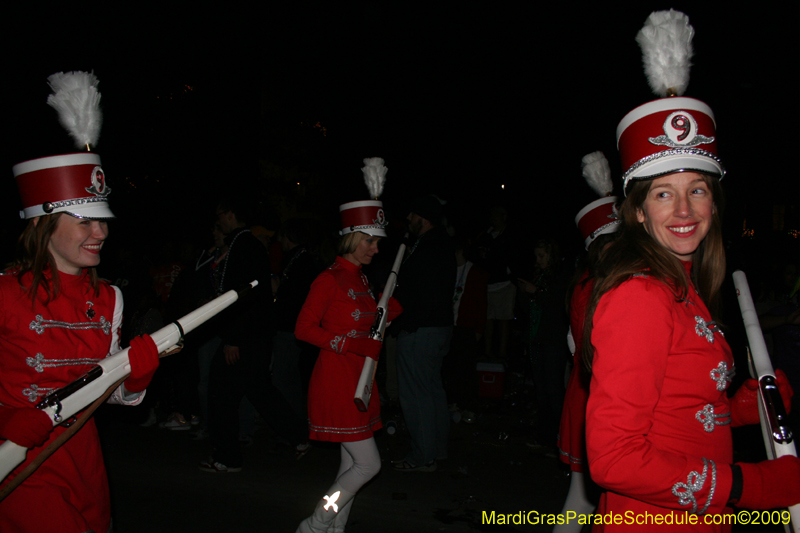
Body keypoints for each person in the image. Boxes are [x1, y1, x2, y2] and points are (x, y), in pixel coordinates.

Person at [584, 73, 800, 530]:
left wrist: (740, 409)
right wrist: (751, 487)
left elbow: (680, 413)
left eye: (697, 190)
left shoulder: (681, 285)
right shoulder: (640, 295)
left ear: (714, 204)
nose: (684, 210)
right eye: (664, 194)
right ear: (639, 211)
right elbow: (613, 458)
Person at [0, 152, 159, 532]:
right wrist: (5, 419)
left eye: (102, 221)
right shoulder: (4, 293)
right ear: (41, 225)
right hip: (17, 454)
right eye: (85, 221)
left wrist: (134, 381)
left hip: (81, 450)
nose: (101, 233)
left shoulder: (110, 297)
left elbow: (105, 389)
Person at [294, 199, 401, 532]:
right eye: (369, 241)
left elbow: (366, 327)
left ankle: (335, 528)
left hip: (360, 379)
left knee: (350, 466)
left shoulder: (361, 279)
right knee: (368, 465)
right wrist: (351, 344)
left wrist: (386, 314)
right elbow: (304, 328)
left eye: (378, 243)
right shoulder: (329, 279)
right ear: (352, 238)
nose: (375, 249)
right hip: (337, 380)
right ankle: (316, 523)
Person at [200, 198, 309, 472]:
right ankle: (299, 436)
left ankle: (228, 457)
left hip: (246, 336)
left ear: (231, 214)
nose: (218, 221)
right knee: (259, 389)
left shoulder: (244, 245)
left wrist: (233, 338)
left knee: (221, 393)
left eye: (220, 214)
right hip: (253, 335)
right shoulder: (242, 244)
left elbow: (245, 296)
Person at [392, 195, 456, 472]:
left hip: (421, 329)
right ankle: (436, 449)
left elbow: (420, 291)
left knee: (416, 394)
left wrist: (405, 321)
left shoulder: (429, 247)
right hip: (435, 327)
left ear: (425, 218)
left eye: (413, 214)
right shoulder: (439, 244)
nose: (408, 218)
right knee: (431, 391)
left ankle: (423, 456)